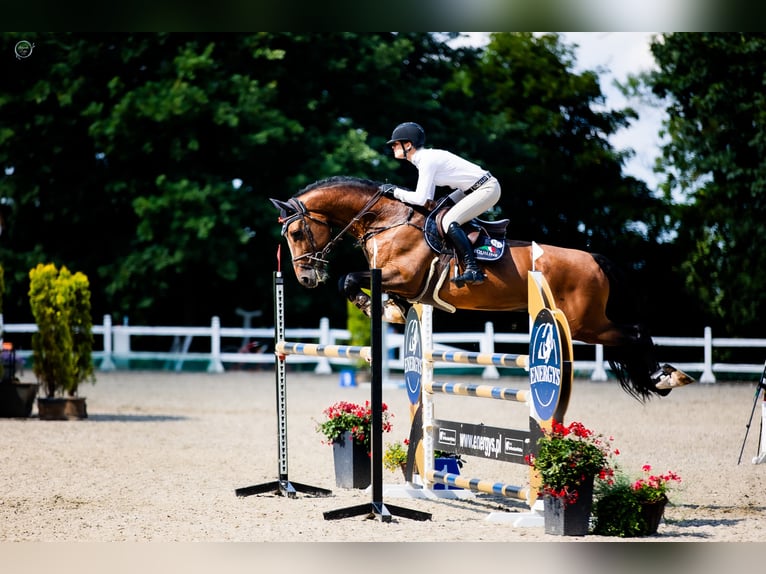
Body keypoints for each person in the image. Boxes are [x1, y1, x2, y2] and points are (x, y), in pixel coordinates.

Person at [385, 122, 501, 287]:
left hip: (487, 188)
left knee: (448, 222)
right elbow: (427, 200)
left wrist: (394, 192)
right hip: (470, 189)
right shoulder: (424, 160)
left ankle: (473, 268)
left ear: (408, 145)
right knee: (438, 211)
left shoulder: (427, 160)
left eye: (396, 143)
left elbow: (419, 198)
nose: (393, 147)